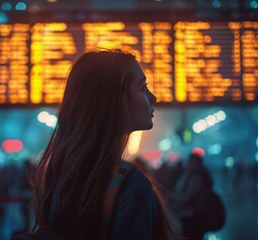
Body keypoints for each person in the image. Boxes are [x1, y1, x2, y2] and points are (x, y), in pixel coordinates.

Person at [33, 49, 172, 240]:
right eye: (142, 87)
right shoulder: (131, 187)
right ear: (114, 100)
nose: (153, 97)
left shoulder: (59, 179)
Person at [172, 153, 213, 240]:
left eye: (193, 162)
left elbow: (188, 198)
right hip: (185, 214)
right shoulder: (187, 175)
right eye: (190, 162)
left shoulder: (196, 178)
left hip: (193, 216)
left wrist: (174, 199)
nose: (190, 164)